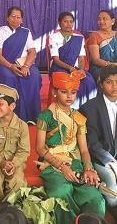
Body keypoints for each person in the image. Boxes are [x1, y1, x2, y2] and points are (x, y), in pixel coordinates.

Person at [35, 71, 105, 223]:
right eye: (64, 92)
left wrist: (88, 169)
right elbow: (40, 148)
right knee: (61, 191)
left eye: (73, 92)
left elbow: (84, 150)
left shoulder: (79, 117)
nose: (69, 96)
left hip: (76, 163)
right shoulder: (45, 116)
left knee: (95, 197)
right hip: (52, 164)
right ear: (54, 92)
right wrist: (61, 167)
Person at [0, 84, 30, 224]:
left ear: (12, 106)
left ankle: (14, 217)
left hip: (15, 163)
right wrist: (1, 162)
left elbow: (24, 151)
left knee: (18, 182)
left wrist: (13, 164)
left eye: (0, 104)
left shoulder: (22, 126)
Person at [80, 65, 117, 221]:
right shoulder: (89, 108)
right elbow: (93, 144)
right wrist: (111, 161)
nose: (115, 86)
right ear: (101, 83)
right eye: (109, 82)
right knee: (110, 177)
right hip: (100, 158)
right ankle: (113, 210)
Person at [0, 6, 41, 122]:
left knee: (33, 76)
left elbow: (32, 52)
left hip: (23, 63)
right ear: (7, 18)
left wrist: (26, 66)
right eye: (13, 16)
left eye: (18, 17)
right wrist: (10, 66)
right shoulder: (1, 31)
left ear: (22, 20)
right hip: (5, 64)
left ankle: (30, 116)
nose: (15, 19)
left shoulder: (26, 32)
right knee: (8, 77)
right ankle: (8, 115)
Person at [49, 12, 97, 108]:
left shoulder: (79, 38)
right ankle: (71, 110)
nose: (68, 24)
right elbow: (56, 59)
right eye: (65, 21)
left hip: (75, 68)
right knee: (69, 82)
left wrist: (81, 70)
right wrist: (70, 69)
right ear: (59, 23)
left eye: (71, 22)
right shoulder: (53, 37)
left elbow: (81, 58)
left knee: (89, 81)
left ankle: (86, 109)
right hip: (59, 68)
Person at [88, 10, 117, 80]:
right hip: (100, 68)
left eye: (105, 19)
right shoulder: (94, 36)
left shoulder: (116, 34)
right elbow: (96, 60)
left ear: (112, 21)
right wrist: (113, 65)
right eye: (99, 19)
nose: (101, 21)